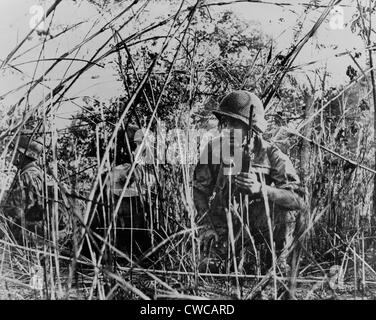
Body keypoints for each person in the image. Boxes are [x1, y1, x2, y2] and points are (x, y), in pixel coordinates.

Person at [193, 90, 306, 274]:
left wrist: (262, 189)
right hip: (223, 228)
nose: (227, 128)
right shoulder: (214, 149)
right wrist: (206, 226)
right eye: (225, 122)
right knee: (209, 270)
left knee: (284, 214)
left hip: (260, 231)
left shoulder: (272, 154)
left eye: (234, 124)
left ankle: (275, 263)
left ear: (252, 128)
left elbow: (298, 200)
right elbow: (199, 190)